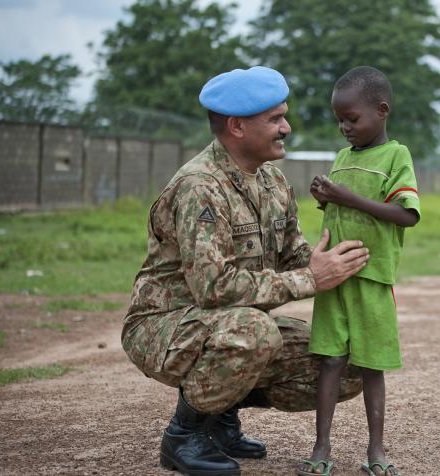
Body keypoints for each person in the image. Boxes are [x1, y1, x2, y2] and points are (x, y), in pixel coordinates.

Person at [121, 66, 371, 476]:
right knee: (253, 333)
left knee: (347, 361)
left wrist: (340, 265)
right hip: (165, 326)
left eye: (283, 116)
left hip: (227, 324)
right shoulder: (201, 186)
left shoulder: (273, 180)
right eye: (275, 119)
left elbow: (293, 253)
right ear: (237, 126)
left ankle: (220, 418)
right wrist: (310, 279)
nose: (286, 128)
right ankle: (184, 436)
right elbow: (212, 287)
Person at [296, 66, 420, 476]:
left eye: (353, 118)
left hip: (372, 277)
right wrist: (325, 199)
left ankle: (376, 451)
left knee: (371, 365)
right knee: (329, 361)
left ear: (382, 110)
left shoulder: (396, 156)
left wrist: (345, 196)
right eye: (340, 120)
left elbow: (405, 215)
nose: (345, 127)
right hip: (334, 278)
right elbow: (341, 211)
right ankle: (321, 447)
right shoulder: (343, 157)